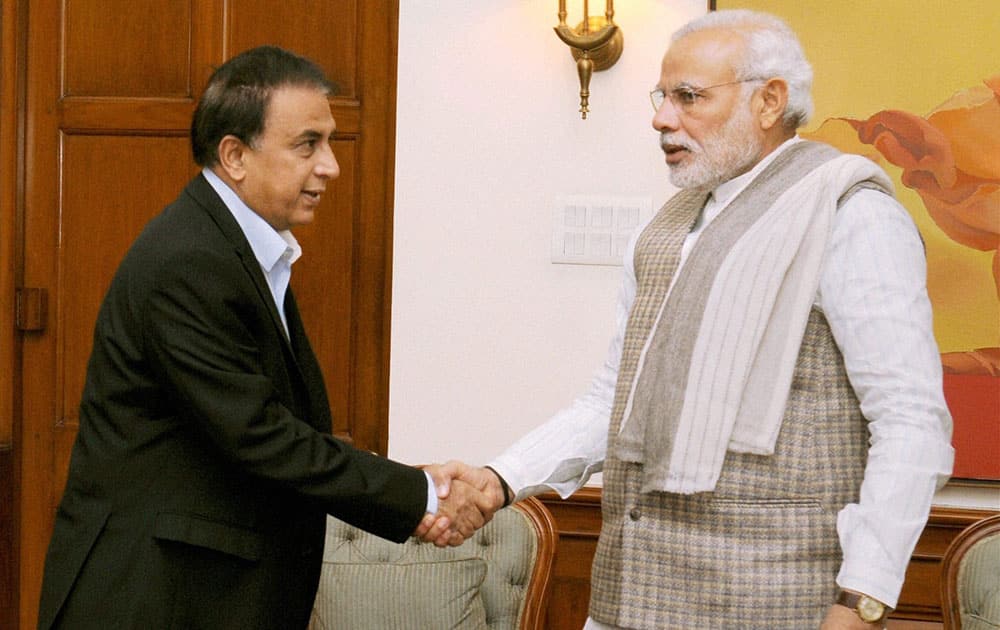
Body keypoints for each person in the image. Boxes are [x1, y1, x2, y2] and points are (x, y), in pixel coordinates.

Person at [446, 9, 954, 629]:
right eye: (663, 96)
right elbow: (616, 398)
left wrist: (861, 601)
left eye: (689, 97)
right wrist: (500, 480)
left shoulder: (851, 213)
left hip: (775, 607)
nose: (662, 118)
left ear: (769, 102)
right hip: (627, 594)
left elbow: (911, 422)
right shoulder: (664, 229)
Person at [36, 46, 483, 630]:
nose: (330, 165)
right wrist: (420, 495)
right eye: (307, 144)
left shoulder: (236, 247)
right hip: (153, 595)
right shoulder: (190, 259)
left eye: (329, 142)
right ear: (235, 156)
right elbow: (261, 435)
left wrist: (408, 489)